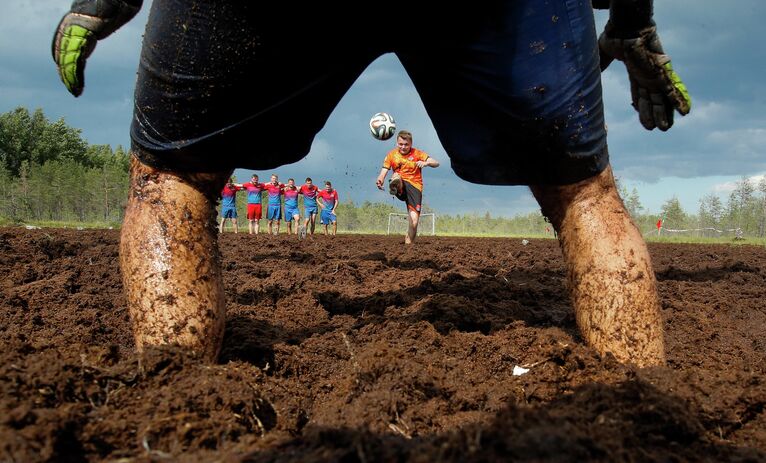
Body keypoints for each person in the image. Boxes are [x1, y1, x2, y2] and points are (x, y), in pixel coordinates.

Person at [52, 0, 690, 366]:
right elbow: (397, 166)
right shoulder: (397, 158)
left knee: (173, 181)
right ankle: (642, 408)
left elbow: (415, 165)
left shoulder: (408, 158)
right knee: (582, 194)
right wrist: (631, 15)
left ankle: (176, 395)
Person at [376, 130, 440, 244]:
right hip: (401, 183)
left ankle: (408, 246)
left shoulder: (417, 154)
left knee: (414, 222)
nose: (403, 147)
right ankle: (396, 186)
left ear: (411, 144)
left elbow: (436, 162)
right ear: (397, 143)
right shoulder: (391, 155)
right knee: (397, 176)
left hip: (415, 187)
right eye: (401, 144)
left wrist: (426, 163)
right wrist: (380, 179)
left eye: (406, 145)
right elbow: (384, 170)